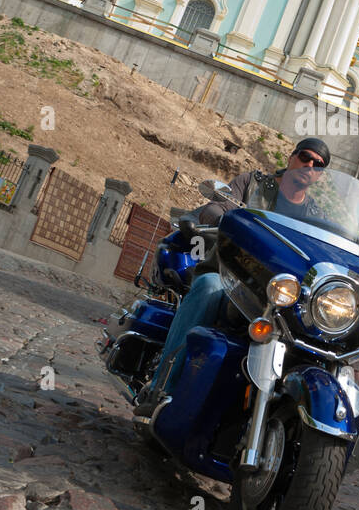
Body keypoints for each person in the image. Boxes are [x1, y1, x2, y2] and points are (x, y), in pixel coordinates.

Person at [135, 139, 330, 414]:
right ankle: (159, 389)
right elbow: (216, 206)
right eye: (305, 157)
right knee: (208, 288)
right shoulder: (254, 184)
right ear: (291, 157)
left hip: (277, 294)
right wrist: (222, 221)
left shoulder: (315, 217)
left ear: (320, 174)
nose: (309, 166)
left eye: (317, 164)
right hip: (229, 275)